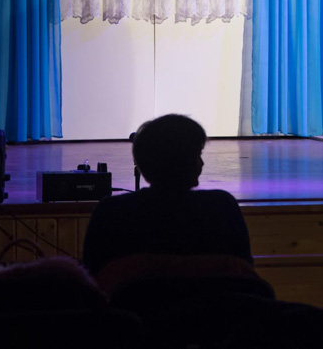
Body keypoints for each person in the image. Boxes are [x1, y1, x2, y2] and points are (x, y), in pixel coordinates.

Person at [82, 114, 253, 277]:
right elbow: (244, 273)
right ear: (188, 161)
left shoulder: (110, 212)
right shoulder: (222, 207)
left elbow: (94, 279)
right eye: (197, 155)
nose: (202, 162)